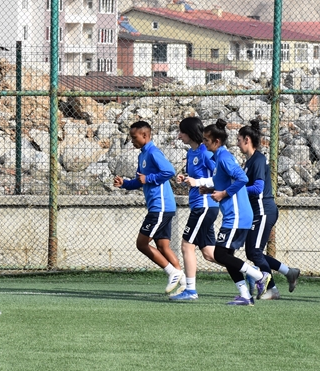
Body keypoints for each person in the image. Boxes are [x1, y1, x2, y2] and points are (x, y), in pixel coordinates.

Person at [188, 119, 265, 306]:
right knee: (227, 257)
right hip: (233, 215)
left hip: (237, 215)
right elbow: (225, 182)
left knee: (221, 255)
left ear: (216, 141)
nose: (204, 143)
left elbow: (243, 178)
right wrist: (209, 189)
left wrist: (223, 194)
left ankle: (258, 275)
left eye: (206, 140)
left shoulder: (224, 157)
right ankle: (245, 295)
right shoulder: (218, 158)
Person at [113, 120, 186, 295]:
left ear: (145, 136)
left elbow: (169, 172)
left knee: (142, 243)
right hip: (160, 207)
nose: (131, 140)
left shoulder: (153, 152)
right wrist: (125, 183)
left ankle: (172, 272)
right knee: (163, 247)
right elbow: (141, 181)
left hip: (160, 207)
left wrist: (149, 179)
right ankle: (185, 284)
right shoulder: (142, 155)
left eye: (134, 137)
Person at [237, 120, 300, 299]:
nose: (237, 143)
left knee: (255, 252)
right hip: (257, 211)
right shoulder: (249, 162)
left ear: (247, 140)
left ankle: (272, 289)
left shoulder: (258, 159)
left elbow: (257, 188)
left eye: (239, 139)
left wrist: (235, 190)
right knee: (252, 251)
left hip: (263, 210)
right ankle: (289, 272)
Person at [170, 116, 217, 301]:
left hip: (205, 206)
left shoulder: (206, 152)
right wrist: (186, 179)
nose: (179, 135)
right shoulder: (191, 153)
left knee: (186, 245)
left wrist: (197, 181)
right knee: (209, 254)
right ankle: (254, 274)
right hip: (199, 206)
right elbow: (195, 177)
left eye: (182, 132)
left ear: (190, 133)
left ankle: (190, 290)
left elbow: (221, 178)